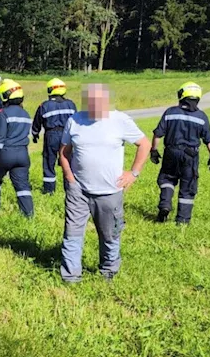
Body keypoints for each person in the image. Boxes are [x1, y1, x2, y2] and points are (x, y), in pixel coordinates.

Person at [57, 84, 150, 282]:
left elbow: (144, 144)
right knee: (72, 235)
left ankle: (108, 273)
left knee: (110, 235)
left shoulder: (120, 120)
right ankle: (71, 277)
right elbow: (64, 152)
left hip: (110, 192)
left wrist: (133, 173)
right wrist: (69, 177)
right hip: (78, 190)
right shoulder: (75, 120)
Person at [150, 81, 210, 224]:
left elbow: (158, 134)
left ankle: (165, 205)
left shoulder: (170, 112)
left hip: (171, 152)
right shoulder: (201, 117)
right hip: (190, 156)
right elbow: (209, 140)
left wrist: (154, 150)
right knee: (187, 187)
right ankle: (182, 221)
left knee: (167, 179)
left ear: (182, 95)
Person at [0, 79, 34, 218]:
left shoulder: (2, 113)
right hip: (23, 155)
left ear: (6, 96)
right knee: (22, 186)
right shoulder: (26, 114)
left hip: (5, 154)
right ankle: (28, 215)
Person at [31, 78, 77, 195]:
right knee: (68, 161)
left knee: (48, 162)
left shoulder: (45, 105)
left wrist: (35, 134)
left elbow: (37, 122)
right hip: (68, 135)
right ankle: (70, 188)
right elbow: (77, 121)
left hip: (51, 135)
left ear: (50, 90)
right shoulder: (71, 104)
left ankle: (49, 190)